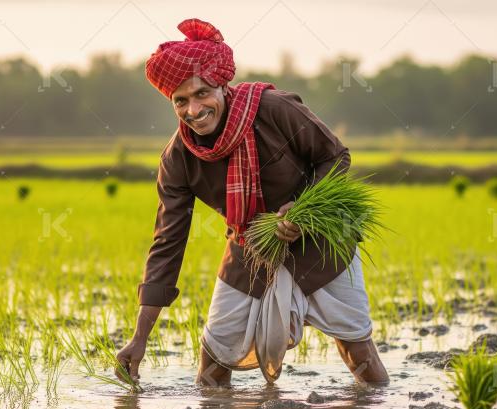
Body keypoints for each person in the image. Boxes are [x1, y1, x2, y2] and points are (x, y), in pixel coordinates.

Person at [116, 18, 388, 386]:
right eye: (180, 101)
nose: (193, 111)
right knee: (211, 370)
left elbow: (335, 156)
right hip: (251, 247)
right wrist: (140, 338)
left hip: (321, 244)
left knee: (360, 356)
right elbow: (167, 244)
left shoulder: (273, 109)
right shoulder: (178, 159)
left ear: (222, 86)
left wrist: (303, 209)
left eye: (201, 94)